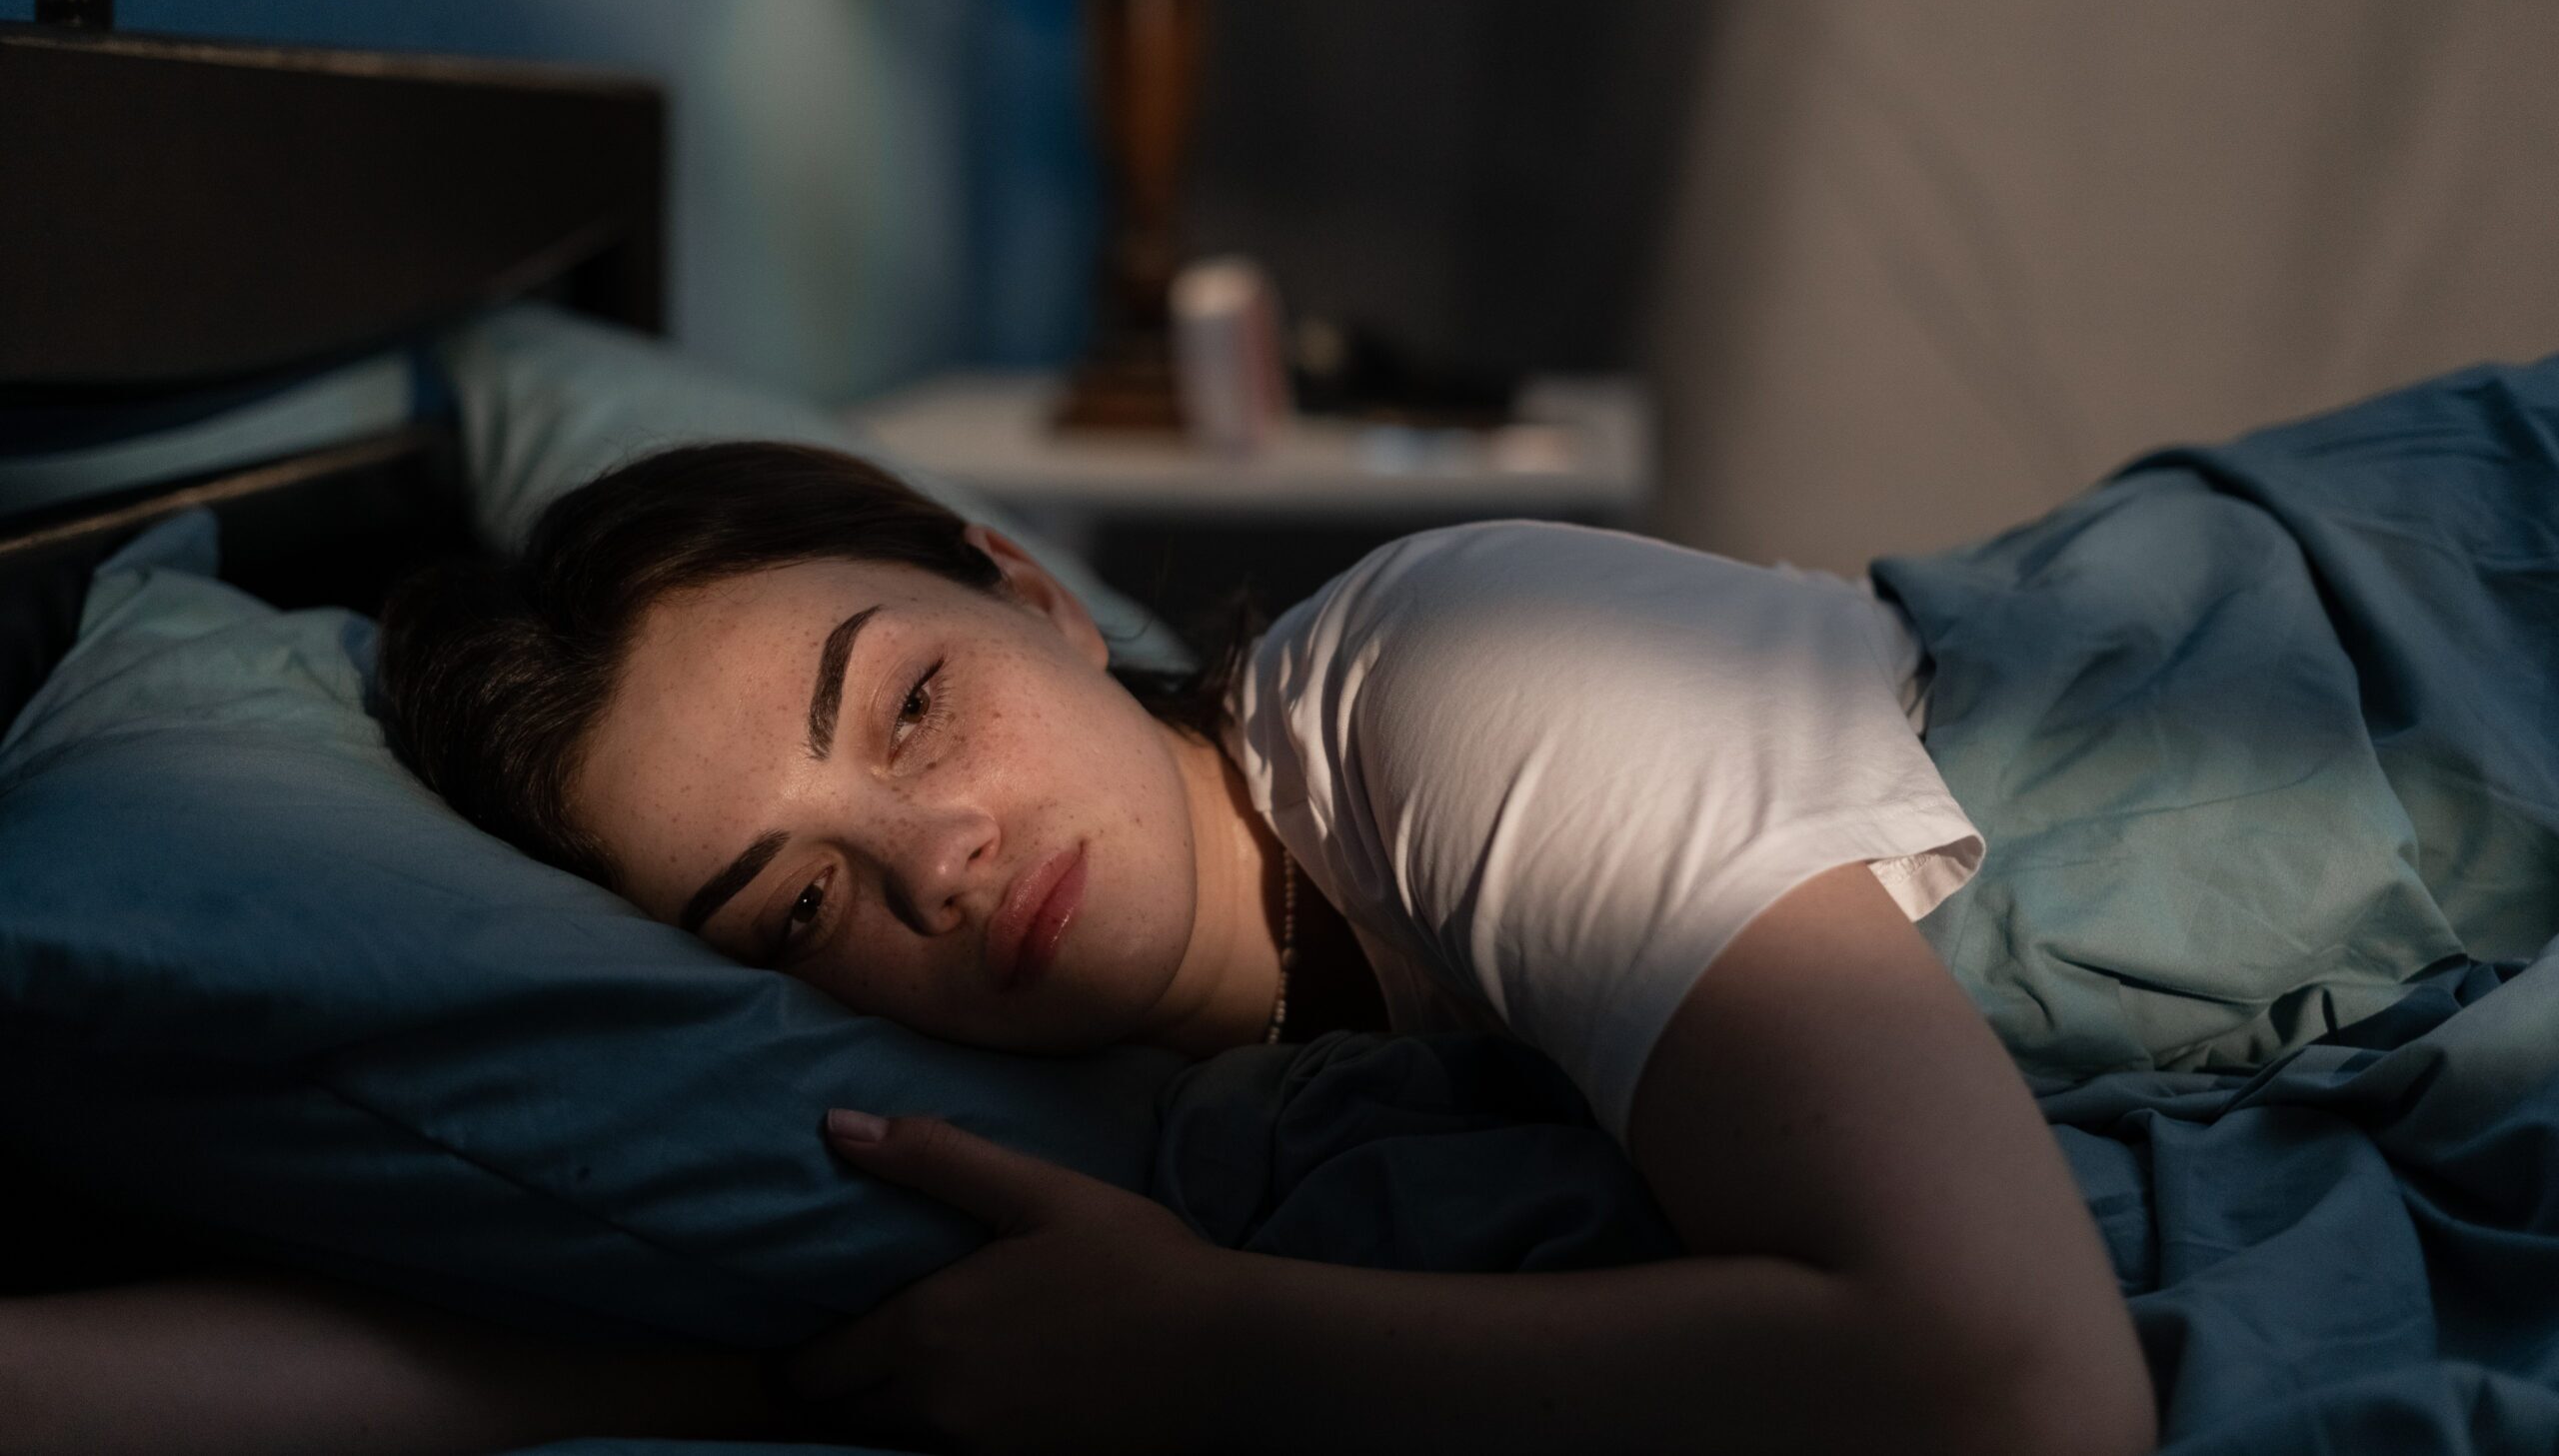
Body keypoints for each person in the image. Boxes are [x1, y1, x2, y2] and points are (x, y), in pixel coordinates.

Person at [5, 442, 2157, 1456]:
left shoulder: (1446, 677)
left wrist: (1224, 1348)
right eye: (800, 902)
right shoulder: (1166, 1121)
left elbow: (2016, 1386)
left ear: (1023, 583)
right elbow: (622, 1349)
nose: (933, 860)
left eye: (912, 701)